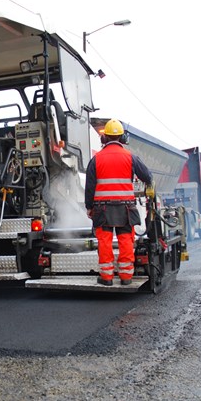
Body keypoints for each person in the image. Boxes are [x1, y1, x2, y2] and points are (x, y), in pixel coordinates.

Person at [84, 119, 154, 286]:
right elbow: (148, 176)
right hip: (126, 208)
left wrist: (89, 207)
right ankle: (126, 277)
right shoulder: (131, 157)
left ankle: (107, 278)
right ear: (122, 138)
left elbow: (90, 186)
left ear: (104, 138)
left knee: (105, 241)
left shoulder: (96, 159)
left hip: (102, 208)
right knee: (125, 240)